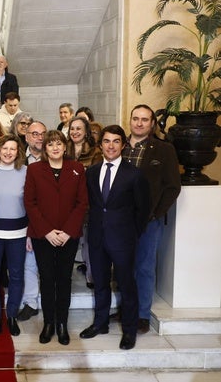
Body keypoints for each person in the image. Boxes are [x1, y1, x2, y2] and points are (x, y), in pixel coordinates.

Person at [80, 125, 150, 351]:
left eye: (116, 141)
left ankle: (129, 331)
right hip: (97, 237)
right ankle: (100, 324)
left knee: (126, 285)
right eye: (107, 141)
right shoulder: (91, 172)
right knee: (99, 283)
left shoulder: (134, 174)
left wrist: (132, 234)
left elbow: (143, 210)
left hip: (123, 240)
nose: (111, 146)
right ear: (100, 145)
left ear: (123, 144)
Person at [24, 130, 88, 346]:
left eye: (58, 144)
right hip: (44, 236)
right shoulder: (34, 170)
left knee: (64, 280)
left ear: (64, 146)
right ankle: (48, 323)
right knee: (47, 279)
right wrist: (47, 232)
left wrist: (68, 231)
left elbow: (82, 203)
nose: (54, 148)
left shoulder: (77, 169)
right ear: (45, 148)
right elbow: (30, 203)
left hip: (69, 236)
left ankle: (62, 324)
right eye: (50, 144)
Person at [122, 104, 181, 334]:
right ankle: (127, 308)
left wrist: (156, 213)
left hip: (148, 220)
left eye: (144, 119)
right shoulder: (119, 145)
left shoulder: (164, 150)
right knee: (124, 267)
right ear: (130, 120)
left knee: (144, 267)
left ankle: (142, 314)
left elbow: (173, 187)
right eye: (135, 118)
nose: (139, 123)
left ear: (151, 123)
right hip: (121, 220)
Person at [0, 134, 28, 337]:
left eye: (13, 149)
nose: (9, 152)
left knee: (17, 276)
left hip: (19, 232)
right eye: (5, 148)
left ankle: (11, 315)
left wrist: (30, 234)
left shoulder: (26, 172)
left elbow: (31, 203)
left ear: (18, 151)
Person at [65, 116, 103, 289]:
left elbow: (96, 181)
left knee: (89, 243)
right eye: (72, 129)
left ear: (86, 131)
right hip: (66, 206)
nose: (75, 132)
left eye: (79, 129)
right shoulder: (64, 151)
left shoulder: (95, 153)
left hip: (88, 204)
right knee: (69, 244)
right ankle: (66, 278)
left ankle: (91, 277)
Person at [16, 120, 47, 322]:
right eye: (34, 134)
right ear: (26, 137)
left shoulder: (54, 157)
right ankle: (31, 302)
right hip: (25, 220)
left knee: (48, 264)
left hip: (50, 220)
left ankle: (51, 301)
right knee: (28, 264)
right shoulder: (17, 159)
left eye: (42, 133)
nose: (39, 137)